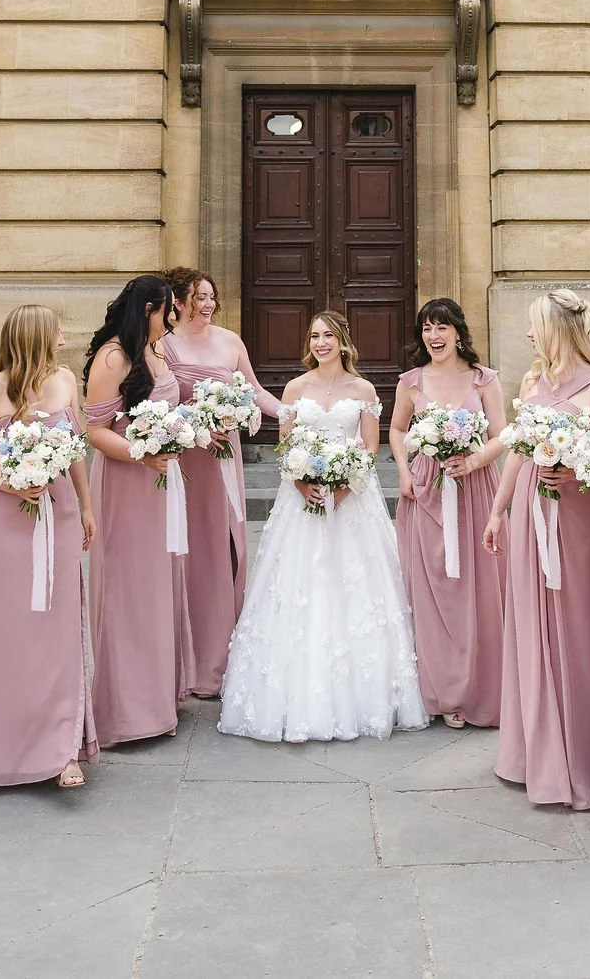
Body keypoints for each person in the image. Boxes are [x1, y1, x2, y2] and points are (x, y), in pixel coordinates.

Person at [219, 311, 427, 742]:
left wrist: (347, 485)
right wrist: (299, 479)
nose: (320, 343)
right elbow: (286, 444)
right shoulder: (296, 387)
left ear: (343, 341)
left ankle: (364, 695)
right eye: (314, 336)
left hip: (352, 505)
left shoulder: (363, 389)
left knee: (354, 587)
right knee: (300, 585)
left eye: (328, 335)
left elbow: (370, 447)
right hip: (302, 502)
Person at [484, 288, 590, 810]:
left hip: (578, 520)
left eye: (535, 324)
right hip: (529, 512)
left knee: (579, 627)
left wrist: (577, 470)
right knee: (532, 627)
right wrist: (498, 511)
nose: (528, 334)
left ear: (559, 329)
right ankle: (535, 751)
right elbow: (519, 451)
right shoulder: (532, 381)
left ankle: (585, 755)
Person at [0, 305, 98, 790]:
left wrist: (87, 507)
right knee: (12, 629)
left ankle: (62, 751)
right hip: (11, 522)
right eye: (57, 333)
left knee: (58, 631)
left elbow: (75, 449)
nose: (63, 339)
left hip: (60, 515)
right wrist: (9, 482)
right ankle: (4, 744)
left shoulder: (64, 381)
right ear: (35, 338)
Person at [160, 267, 281, 696]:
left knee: (228, 545)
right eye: (200, 297)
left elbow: (254, 391)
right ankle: (193, 664)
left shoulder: (230, 341)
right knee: (195, 550)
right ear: (178, 302)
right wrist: (194, 425)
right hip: (190, 459)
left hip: (224, 459)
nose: (209, 304)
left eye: (212, 297)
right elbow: (159, 406)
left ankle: (226, 658)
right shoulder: (164, 347)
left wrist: (287, 413)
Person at [85, 276, 196, 742]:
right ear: (149, 308)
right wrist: (142, 453)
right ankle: (127, 711)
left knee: (160, 584)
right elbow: (95, 429)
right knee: (129, 590)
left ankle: (157, 697)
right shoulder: (114, 357)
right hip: (127, 483)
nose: (173, 318)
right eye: (168, 309)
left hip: (161, 483)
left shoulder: (158, 348)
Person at [391, 298, 507, 729]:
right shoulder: (412, 381)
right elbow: (398, 429)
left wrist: (475, 460)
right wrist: (403, 470)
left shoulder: (484, 380)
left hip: (475, 491)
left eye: (441, 328)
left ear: (459, 331)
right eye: (426, 329)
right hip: (425, 491)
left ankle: (478, 690)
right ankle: (440, 691)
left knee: (476, 589)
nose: (433, 337)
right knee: (432, 587)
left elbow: (503, 434)